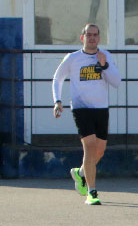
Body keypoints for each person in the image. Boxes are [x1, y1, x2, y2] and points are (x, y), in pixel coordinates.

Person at [52, 23, 121, 206]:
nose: (92, 38)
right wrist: (57, 100)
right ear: (82, 37)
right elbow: (58, 78)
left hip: (101, 109)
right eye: (88, 35)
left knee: (99, 151)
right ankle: (92, 192)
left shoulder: (105, 56)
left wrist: (104, 65)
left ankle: (81, 173)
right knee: (89, 147)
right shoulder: (73, 58)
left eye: (95, 35)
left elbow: (116, 82)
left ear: (99, 37)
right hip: (81, 108)